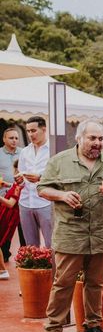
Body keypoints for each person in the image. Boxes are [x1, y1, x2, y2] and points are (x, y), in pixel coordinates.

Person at [38, 120, 103, 332]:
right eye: (92, 138)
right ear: (79, 139)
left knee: (95, 283)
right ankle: (53, 330)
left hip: (101, 233)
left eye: (100, 139)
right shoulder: (59, 162)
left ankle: (93, 327)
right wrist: (62, 195)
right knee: (63, 283)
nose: (97, 143)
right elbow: (42, 188)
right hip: (71, 232)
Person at [18, 116, 53, 247]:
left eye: (33, 130)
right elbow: (21, 173)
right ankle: (32, 268)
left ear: (43, 129)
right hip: (26, 202)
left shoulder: (53, 150)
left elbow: (59, 176)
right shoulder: (25, 152)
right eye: (28, 131)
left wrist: (40, 178)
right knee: (30, 246)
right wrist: (20, 179)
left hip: (46, 202)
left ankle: (52, 268)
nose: (30, 134)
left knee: (51, 243)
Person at [0, 126, 24, 262]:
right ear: (4, 139)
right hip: (5, 196)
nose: (14, 140)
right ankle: (4, 254)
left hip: (21, 195)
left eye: (16, 138)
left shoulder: (24, 153)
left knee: (22, 228)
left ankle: (25, 253)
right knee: (5, 227)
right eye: (11, 138)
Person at [0, 160, 24, 279]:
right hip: (6, 214)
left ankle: (3, 271)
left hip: (8, 216)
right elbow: (14, 187)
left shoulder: (19, 186)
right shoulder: (17, 184)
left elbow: (10, 203)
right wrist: (6, 184)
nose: (15, 172)